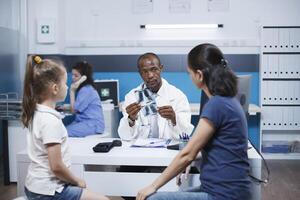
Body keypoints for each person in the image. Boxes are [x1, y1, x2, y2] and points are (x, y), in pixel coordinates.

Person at [136, 44, 252, 200]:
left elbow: (187, 154)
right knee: (176, 194)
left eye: (189, 73)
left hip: (223, 195)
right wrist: (192, 158)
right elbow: (209, 150)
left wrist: (152, 186)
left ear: (199, 75)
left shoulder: (216, 105)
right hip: (221, 189)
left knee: (151, 198)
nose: (190, 77)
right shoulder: (227, 101)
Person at [21, 56, 109, 200]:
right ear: (55, 88)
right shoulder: (51, 121)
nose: (68, 86)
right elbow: (56, 167)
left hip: (34, 186)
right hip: (48, 191)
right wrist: (76, 181)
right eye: (65, 83)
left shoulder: (36, 113)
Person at [118, 53, 194, 140]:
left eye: (154, 69)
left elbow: (186, 133)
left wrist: (173, 118)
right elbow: (124, 136)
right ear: (140, 73)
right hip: (140, 150)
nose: (150, 75)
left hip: (167, 150)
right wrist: (131, 119)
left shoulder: (177, 96)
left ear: (161, 68)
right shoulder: (132, 97)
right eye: (145, 71)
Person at [66, 61, 105, 137]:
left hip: (92, 125)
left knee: (63, 133)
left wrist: (72, 91)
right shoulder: (85, 89)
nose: (73, 78)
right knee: (62, 130)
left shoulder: (86, 90)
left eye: (76, 75)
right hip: (85, 122)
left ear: (84, 78)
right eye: (72, 75)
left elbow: (73, 110)